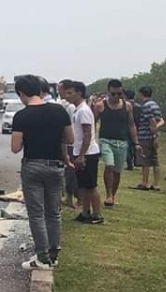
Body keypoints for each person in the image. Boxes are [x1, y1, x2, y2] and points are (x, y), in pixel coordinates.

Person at [11, 74, 74, 270]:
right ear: (40, 90)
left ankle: (42, 257)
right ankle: (54, 255)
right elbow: (70, 139)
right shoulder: (59, 111)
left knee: (37, 214)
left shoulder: (21, 116)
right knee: (53, 212)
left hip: (33, 166)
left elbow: (15, 147)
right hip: (55, 166)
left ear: (21, 93)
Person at [62, 81, 103, 224]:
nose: (67, 96)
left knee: (91, 186)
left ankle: (97, 214)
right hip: (79, 150)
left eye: (70, 93)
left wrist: (81, 155)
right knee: (83, 186)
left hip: (88, 153)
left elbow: (87, 134)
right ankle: (85, 212)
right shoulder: (77, 110)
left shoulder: (84, 111)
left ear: (79, 93)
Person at [95, 79, 141, 207]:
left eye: (119, 94)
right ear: (108, 93)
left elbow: (131, 125)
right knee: (109, 165)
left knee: (117, 170)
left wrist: (136, 143)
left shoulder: (127, 106)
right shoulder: (100, 105)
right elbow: (92, 122)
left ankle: (113, 195)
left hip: (122, 142)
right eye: (113, 94)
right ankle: (108, 194)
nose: (116, 97)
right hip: (106, 140)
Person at [132, 86, 164, 191]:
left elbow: (152, 121)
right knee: (155, 161)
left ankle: (144, 182)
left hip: (146, 136)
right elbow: (161, 120)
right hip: (154, 135)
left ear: (141, 94)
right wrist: (156, 134)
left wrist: (153, 133)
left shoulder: (145, 106)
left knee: (145, 160)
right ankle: (156, 183)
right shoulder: (155, 105)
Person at [58, 79, 79, 209]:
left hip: (71, 143)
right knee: (68, 172)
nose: (59, 92)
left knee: (71, 172)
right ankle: (68, 197)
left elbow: (70, 125)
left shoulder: (70, 107)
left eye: (60, 89)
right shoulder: (64, 104)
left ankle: (74, 198)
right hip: (68, 143)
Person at [124, 88, 137, 170]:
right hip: (137, 128)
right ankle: (136, 162)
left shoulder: (125, 106)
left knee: (128, 147)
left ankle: (129, 164)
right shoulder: (138, 106)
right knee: (135, 145)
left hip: (127, 128)